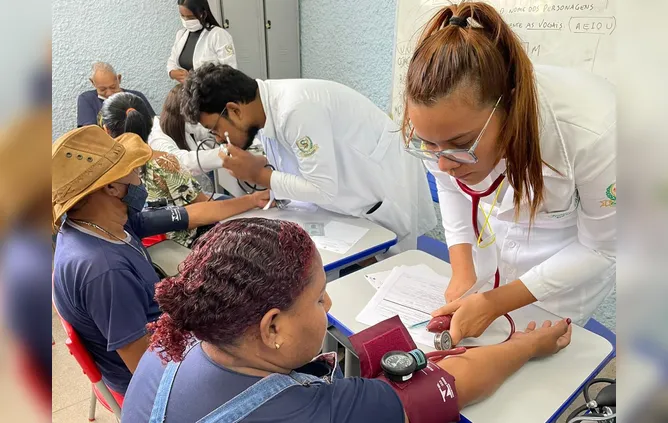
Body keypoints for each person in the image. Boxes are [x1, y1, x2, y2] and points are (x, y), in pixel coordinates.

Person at [120, 217, 572, 422]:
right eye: (319, 300)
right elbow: (456, 380)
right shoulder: (310, 411)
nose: (330, 307)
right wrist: (530, 345)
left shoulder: (169, 348)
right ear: (271, 327)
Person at [401, 3, 616, 345]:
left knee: (545, 359)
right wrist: (462, 269)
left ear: (509, 107)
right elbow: (450, 185)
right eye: (430, 145)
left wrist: (496, 302)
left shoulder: (594, 131)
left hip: (570, 259)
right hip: (500, 241)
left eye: (460, 145)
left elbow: (603, 248)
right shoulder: (440, 128)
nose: (443, 162)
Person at [51, 125, 271, 397]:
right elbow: (148, 372)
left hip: (162, 335)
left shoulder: (102, 223)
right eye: (133, 172)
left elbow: (191, 214)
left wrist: (252, 199)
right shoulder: (105, 270)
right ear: (110, 187)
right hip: (155, 379)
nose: (139, 180)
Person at [181, 64, 437, 252]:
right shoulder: (265, 111)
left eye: (215, 128)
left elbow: (323, 189)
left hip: (380, 193)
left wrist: (259, 175)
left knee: (384, 280)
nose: (217, 138)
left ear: (234, 110)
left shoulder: (295, 109)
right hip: (346, 202)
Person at [101, 91, 221, 247]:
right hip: (177, 253)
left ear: (106, 130)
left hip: (130, 251)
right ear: (151, 125)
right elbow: (203, 209)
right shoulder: (165, 163)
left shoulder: (100, 175)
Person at [147, 84, 223, 176]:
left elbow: (201, 130)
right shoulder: (158, 139)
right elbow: (182, 163)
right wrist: (224, 154)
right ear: (183, 113)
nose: (198, 121)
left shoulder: (178, 125)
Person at [168, 0, 237, 84]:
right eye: (182, 16)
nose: (186, 20)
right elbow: (172, 61)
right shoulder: (181, 34)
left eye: (191, 17)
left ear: (203, 14)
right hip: (188, 92)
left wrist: (196, 79)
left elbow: (230, 72)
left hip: (213, 93)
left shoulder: (218, 35)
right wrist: (172, 73)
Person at [77, 62, 155, 127]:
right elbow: (88, 133)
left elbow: (154, 125)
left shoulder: (136, 97)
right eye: (102, 89)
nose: (109, 93)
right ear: (93, 83)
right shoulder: (87, 99)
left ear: (119, 79)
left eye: (113, 87)